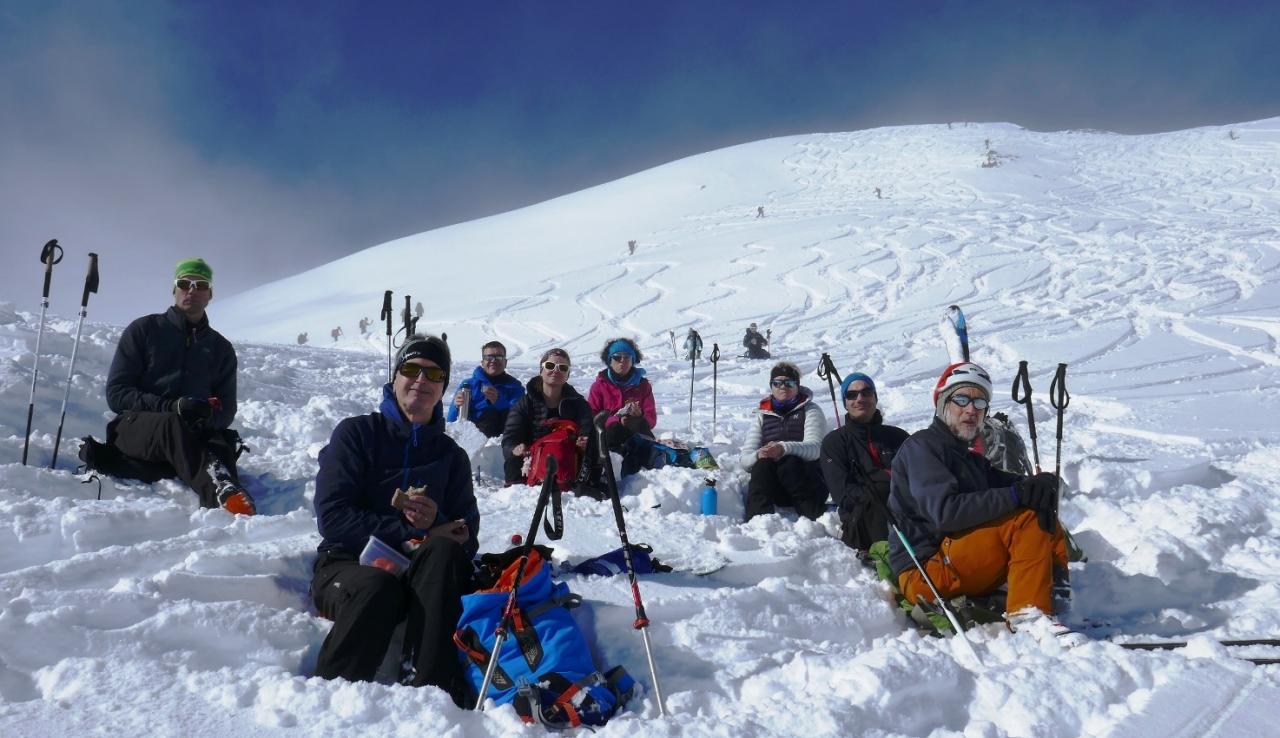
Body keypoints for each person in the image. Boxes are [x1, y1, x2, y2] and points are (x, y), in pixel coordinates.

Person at [311, 334, 479, 701]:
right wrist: (406, 530)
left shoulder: (451, 457)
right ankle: (328, 702)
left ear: (443, 388)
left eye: (434, 375)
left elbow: (469, 534)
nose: (421, 380)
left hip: (423, 577)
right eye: (411, 369)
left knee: (445, 552)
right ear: (395, 377)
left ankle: (430, 693)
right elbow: (333, 517)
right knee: (377, 586)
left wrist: (442, 524)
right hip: (348, 566)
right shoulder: (357, 434)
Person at [887, 362, 1067, 624]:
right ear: (942, 404)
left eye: (980, 402)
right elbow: (946, 513)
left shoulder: (970, 460)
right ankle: (1030, 620)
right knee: (1025, 519)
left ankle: (1059, 599)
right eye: (962, 399)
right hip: (926, 571)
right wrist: (1018, 494)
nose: (971, 409)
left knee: (1041, 508)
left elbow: (1010, 484)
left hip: (956, 560)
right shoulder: (923, 447)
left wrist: (1040, 485)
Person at [99, 258, 253, 514]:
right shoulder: (144, 330)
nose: (191, 290)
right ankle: (223, 495)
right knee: (172, 422)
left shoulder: (221, 349)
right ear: (174, 290)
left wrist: (202, 418)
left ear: (210, 294)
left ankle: (230, 502)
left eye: (200, 284)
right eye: (184, 283)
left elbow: (226, 409)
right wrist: (173, 407)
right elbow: (117, 394)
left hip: (192, 435)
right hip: (136, 430)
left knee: (219, 440)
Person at [820, 372, 909, 553]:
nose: (860, 398)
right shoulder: (835, 442)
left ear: (875, 398)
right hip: (861, 523)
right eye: (852, 395)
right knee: (879, 492)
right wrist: (886, 480)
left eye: (866, 392)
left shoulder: (898, 436)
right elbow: (843, 495)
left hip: (906, 513)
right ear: (845, 403)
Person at [738, 362, 828, 520]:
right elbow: (745, 460)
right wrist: (759, 454)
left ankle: (815, 519)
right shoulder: (763, 415)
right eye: (777, 383)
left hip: (806, 484)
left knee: (790, 462)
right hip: (774, 488)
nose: (783, 387)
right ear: (771, 386)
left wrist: (783, 448)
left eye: (789, 383)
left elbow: (815, 449)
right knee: (762, 465)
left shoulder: (811, 410)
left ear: (797, 386)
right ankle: (758, 521)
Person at [501, 348, 596, 490]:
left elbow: (589, 433)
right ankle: (520, 495)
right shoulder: (525, 403)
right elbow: (510, 438)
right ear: (541, 370)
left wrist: (584, 444)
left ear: (567, 375)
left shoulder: (580, 405)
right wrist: (515, 449)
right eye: (550, 366)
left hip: (568, 461)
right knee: (513, 463)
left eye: (562, 368)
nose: (555, 371)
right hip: (531, 462)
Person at [587, 338, 657, 469]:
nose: (622, 361)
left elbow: (651, 418)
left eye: (627, 357)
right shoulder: (598, 386)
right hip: (608, 436)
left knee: (641, 428)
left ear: (633, 360)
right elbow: (592, 417)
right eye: (617, 357)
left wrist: (639, 417)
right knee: (613, 432)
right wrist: (616, 420)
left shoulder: (643, 385)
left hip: (636, 432)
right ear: (609, 360)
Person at [446, 340, 524, 437]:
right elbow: (451, 422)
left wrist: (499, 402)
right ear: (482, 362)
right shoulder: (468, 385)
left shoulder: (515, 388)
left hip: (499, 443)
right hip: (469, 439)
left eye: (499, 357)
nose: (493, 361)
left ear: (505, 362)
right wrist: (456, 406)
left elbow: (519, 420)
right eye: (489, 357)